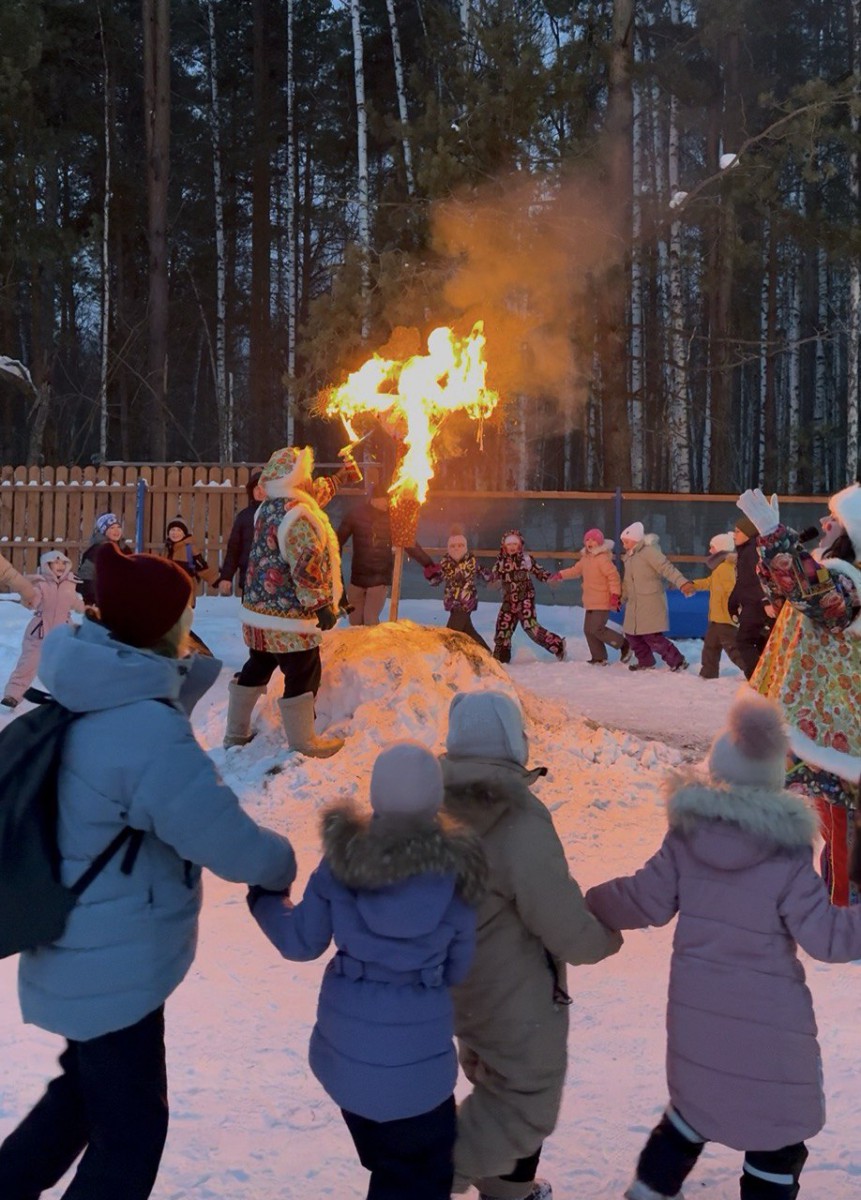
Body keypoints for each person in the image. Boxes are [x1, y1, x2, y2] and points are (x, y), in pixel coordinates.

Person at [0, 542, 296, 1200]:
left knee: (79, 1099)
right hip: (114, 970)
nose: (190, 622)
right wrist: (281, 864)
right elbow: (224, 837)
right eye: (183, 613)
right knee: (131, 1135)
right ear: (159, 629)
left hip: (81, 949)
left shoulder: (94, 689)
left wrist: (178, 679)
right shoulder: (138, 730)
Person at [585, 691, 861, 1200]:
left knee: (691, 1114)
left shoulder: (687, 839)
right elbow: (826, 938)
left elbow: (642, 899)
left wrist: (585, 905)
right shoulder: (785, 853)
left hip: (697, 1022)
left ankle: (647, 1191)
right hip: (770, 1030)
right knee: (777, 1141)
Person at [247, 741, 486, 1200]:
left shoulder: (342, 864)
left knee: (389, 1159)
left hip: (346, 1061)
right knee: (421, 1172)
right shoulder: (459, 874)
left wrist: (265, 900)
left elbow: (300, 942)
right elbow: (460, 966)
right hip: (420, 1071)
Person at [440, 690, 623, 1200]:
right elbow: (556, 912)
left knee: (495, 1087)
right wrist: (601, 939)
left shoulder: (433, 802)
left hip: (461, 987)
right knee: (524, 1097)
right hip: (512, 993)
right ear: (512, 742)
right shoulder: (516, 816)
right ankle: (428, 1176)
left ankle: (508, 1193)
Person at [736, 485, 861, 906]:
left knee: (842, 822)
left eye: (835, 520)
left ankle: (842, 912)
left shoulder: (851, 582)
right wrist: (769, 547)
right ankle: (840, 903)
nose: (825, 524)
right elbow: (782, 598)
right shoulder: (837, 571)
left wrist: (778, 538)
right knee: (833, 819)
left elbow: (820, 599)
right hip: (824, 721)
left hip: (839, 724)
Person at [223, 444, 362, 756]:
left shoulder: (269, 506)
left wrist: (341, 477)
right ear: (295, 479)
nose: (310, 480)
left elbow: (314, 495)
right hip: (289, 619)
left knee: (257, 665)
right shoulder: (297, 516)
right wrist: (321, 606)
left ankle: (234, 734)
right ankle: (303, 742)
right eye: (306, 475)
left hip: (259, 614)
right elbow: (305, 565)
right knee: (303, 671)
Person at [2, 551, 85, 708]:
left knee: (67, 664)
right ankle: (13, 694)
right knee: (28, 664)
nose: (60, 566)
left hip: (62, 633)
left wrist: (89, 611)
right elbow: (32, 600)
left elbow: (75, 603)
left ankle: (71, 696)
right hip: (40, 631)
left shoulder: (70, 585)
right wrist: (28, 595)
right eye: (55, 562)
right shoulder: (41, 584)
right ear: (47, 566)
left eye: (63, 563)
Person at [619, 521, 695, 672]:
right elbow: (627, 582)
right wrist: (621, 598)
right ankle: (645, 661)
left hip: (650, 602)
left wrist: (682, 583)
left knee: (652, 637)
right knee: (632, 636)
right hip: (635, 605)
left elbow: (667, 568)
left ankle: (677, 661)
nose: (623, 545)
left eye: (626, 541)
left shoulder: (649, 553)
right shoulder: (629, 558)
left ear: (635, 539)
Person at [548, 527, 630, 665]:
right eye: (587, 540)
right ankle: (599, 657)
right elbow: (575, 570)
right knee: (588, 630)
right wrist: (561, 574)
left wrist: (615, 595)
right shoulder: (586, 559)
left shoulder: (602, 559)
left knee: (597, 629)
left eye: (593, 540)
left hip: (602, 600)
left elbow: (613, 577)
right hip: (591, 600)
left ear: (599, 543)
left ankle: (624, 644)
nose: (590, 542)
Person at [487, 530, 565, 664]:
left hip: (525, 599)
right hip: (508, 600)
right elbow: (493, 578)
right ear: (504, 546)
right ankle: (501, 657)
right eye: (509, 544)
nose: (512, 547)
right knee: (503, 627)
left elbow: (539, 571)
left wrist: (550, 579)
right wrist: (493, 583)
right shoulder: (500, 562)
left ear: (520, 545)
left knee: (531, 627)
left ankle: (557, 645)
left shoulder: (526, 559)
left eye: (515, 544)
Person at [422, 524, 492, 652]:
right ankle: (486, 652)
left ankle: (448, 656)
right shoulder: (445, 563)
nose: (456, 549)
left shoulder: (471, 561)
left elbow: (485, 574)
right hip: (452, 602)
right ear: (449, 548)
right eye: (453, 546)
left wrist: (494, 578)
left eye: (460, 545)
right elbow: (436, 581)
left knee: (451, 633)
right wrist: (430, 575)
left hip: (466, 602)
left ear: (465, 547)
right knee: (468, 631)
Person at [689, 532, 746, 680]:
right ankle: (708, 673)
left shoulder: (725, 568)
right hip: (716, 617)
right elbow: (710, 582)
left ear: (720, 548)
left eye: (712, 547)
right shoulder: (720, 567)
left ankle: (752, 671)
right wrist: (693, 585)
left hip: (725, 617)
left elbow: (732, 590)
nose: (709, 551)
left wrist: (736, 607)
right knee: (710, 647)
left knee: (733, 649)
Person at [336, 482, 394, 626]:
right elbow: (337, 541)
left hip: (379, 578)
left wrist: (427, 564)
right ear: (375, 499)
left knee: (370, 620)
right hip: (358, 578)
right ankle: (357, 649)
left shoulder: (392, 518)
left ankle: (374, 648)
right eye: (386, 499)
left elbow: (408, 541)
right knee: (355, 622)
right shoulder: (356, 515)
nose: (389, 502)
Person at [727, 513, 774, 679]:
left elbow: (760, 579)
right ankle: (763, 674)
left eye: (738, 531)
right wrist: (732, 604)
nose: (734, 535)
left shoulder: (752, 552)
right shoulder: (746, 551)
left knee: (744, 641)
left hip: (755, 605)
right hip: (752, 604)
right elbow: (742, 582)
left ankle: (758, 677)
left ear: (749, 533)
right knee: (760, 641)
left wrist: (764, 601)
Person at [163, 516, 217, 656]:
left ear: (184, 533)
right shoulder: (167, 548)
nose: (175, 533)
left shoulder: (189, 548)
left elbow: (201, 566)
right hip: (168, 593)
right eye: (172, 530)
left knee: (181, 625)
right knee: (175, 625)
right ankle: (179, 652)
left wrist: (215, 580)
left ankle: (203, 653)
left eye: (178, 530)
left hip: (185, 593)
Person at [217, 469, 265, 596]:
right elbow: (234, 549)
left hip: (272, 579)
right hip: (248, 577)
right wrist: (226, 577)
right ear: (251, 492)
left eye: (263, 488)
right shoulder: (244, 516)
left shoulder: (279, 514)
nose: (260, 492)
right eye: (256, 489)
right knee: (249, 615)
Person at [76, 513, 132, 606]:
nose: (116, 531)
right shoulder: (96, 550)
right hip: (101, 600)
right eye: (111, 528)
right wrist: (92, 599)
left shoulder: (125, 550)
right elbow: (86, 576)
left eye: (118, 527)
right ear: (103, 531)